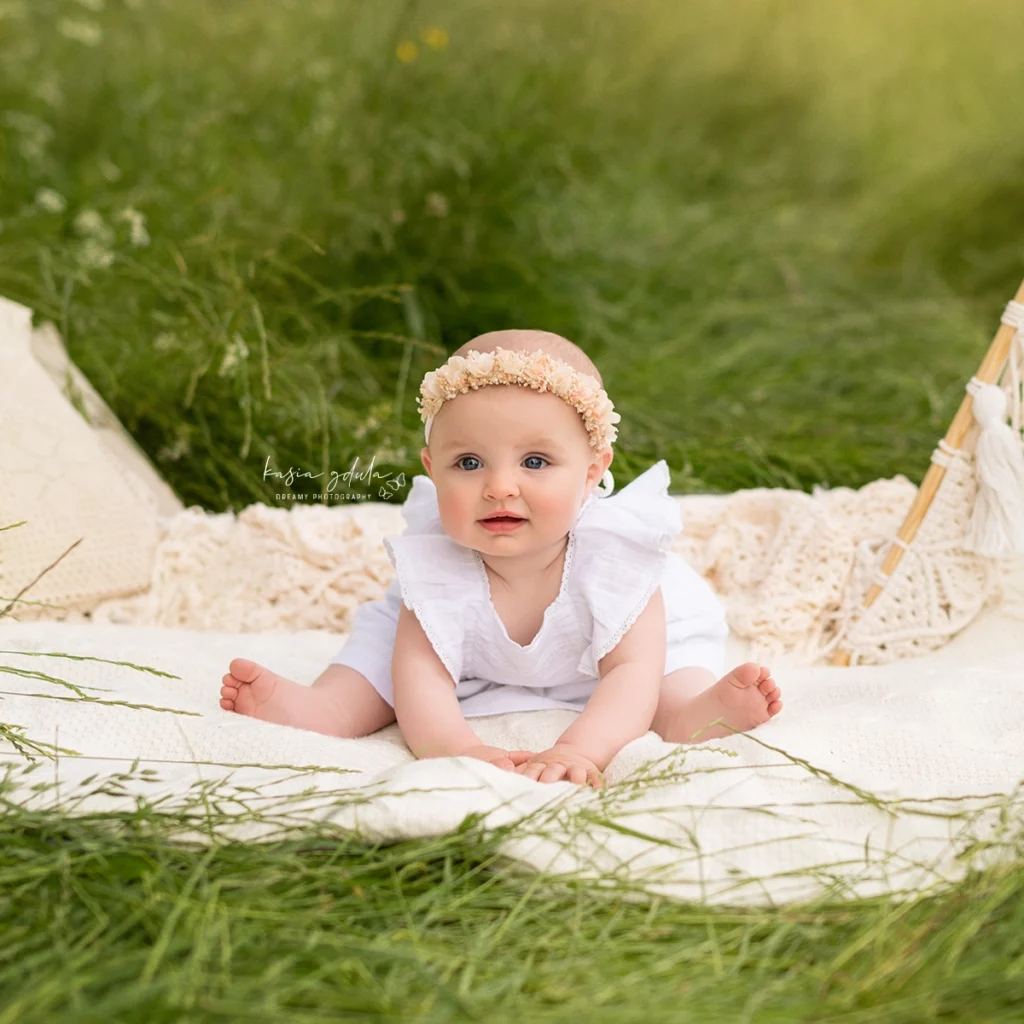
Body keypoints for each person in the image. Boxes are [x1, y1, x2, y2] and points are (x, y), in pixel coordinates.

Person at [219, 330, 783, 789]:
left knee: (665, 673)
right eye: (467, 463)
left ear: (591, 471)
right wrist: (458, 749)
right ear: (431, 467)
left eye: (535, 461)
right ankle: (328, 709)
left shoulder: (616, 561)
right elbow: (422, 672)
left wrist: (577, 750)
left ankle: (694, 714)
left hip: (610, 657)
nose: (500, 487)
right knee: (382, 645)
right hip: (470, 654)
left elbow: (631, 672)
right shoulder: (437, 561)